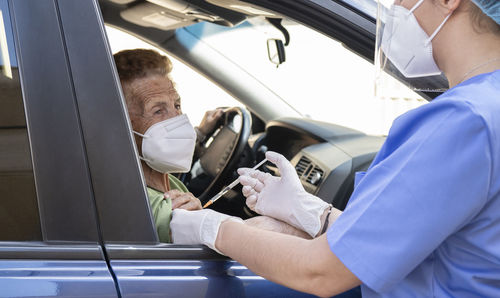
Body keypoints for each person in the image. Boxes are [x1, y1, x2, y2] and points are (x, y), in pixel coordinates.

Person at [170, 0, 500, 297]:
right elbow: (444, 247)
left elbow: (320, 272)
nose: (397, 4)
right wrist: (314, 214)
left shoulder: (462, 121)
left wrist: (212, 228)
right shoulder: (488, 106)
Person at [114, 49, 310, 244]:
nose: (179, 120)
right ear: (122, 125)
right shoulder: (141, 203)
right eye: (158, 111)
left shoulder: (162, 180)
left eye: (177, 105)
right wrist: (309, 213)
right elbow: (250, 238)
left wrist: (201, 133)